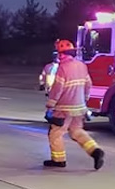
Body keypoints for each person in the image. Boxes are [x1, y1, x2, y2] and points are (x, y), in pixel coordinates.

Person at [44, 39, 105, 170]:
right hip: (80, 108)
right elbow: (88, 84)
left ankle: (58, 160)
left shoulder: (63, 68)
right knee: (77, 131)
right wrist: (85, 98)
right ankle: (95, 151)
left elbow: (57, 88)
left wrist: (50, 104)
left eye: (59, 54)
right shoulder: (82, 66)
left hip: (64, 109)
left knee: (55, 134)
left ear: (61, 54)